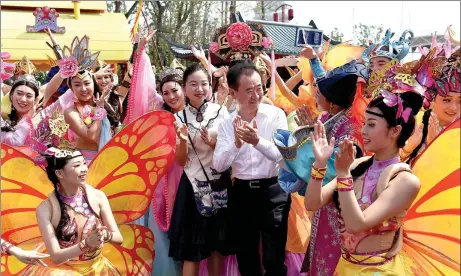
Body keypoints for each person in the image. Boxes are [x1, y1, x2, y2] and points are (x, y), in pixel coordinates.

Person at [304, 75, 424, 274]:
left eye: (371, 124)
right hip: (345, 267)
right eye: (364, 123)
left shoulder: (405, 180)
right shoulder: (359, 165)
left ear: (395, 131)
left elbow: (356, 225)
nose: (363, 130)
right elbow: (312, 203)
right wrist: (320, 163)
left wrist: (343, 174)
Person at [274, 54, 368, 276]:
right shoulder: (332, 118)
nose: (316, 93)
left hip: (341, 206)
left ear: (333, 102)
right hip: (326, 203)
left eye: (320, 92)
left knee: (334, 258)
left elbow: (331, 169)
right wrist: (310, 130)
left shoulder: (351, 130)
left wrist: (303, 141)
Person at [213, 62, 290, 276]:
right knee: (246, 258)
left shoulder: (276, 115)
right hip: (242, 193)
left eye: (259, 88)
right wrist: (236, 144)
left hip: (274, 190)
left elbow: (286, 157)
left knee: (274, 258)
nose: (255, 95)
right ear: (233, 92)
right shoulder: (227, 124)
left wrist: (257, 141)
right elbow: (218, 165)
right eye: (248, 90)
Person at [168, 64, 231, 276]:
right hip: (191, 186)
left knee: (216, 247)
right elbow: (180, 161)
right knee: (191, 250)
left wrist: (214, 144)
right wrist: (183, 141)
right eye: (193, 84)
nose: (199, 89)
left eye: (204, 83)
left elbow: (229, 151)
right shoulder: (177, 118)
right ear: (184, 88)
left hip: (219, 184)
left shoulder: (222, 112)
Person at [25, 147, 123, 274]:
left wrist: (104, 235)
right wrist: (87, 243)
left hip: (97, 269)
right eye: (77, 165)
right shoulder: (45, 209)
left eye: (84, 163)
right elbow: (56, 257)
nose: (84, 169)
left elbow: (118, 238)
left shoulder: (97, 196)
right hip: (63, 271)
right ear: (60, 173)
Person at [148, 68, 185, 276]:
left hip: (191, 178)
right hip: (167, 180)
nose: (171, 97)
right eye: (166, 93)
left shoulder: (198, 114)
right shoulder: (161, 119)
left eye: (175, 90)